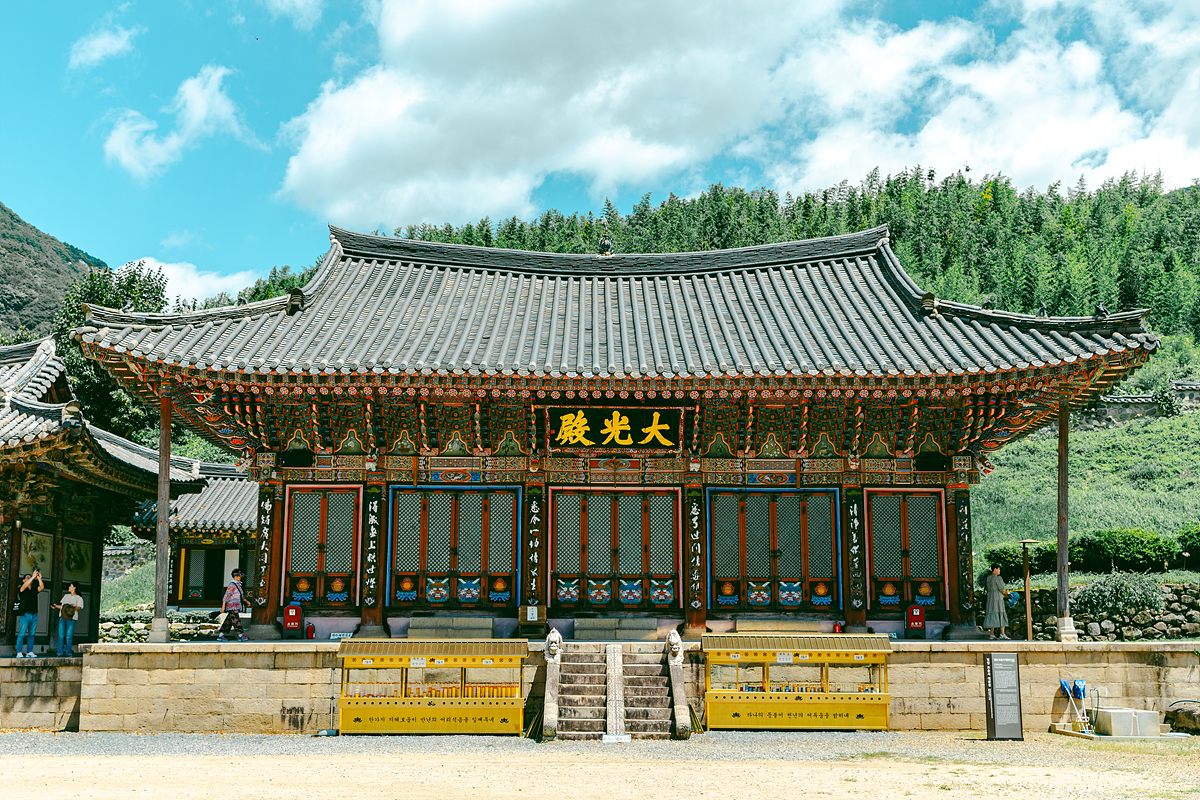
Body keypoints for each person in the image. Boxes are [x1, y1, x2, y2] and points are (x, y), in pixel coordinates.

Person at [14, 569, 44, 658]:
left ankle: (29, 651)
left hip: (34, 614)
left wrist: (39, 578)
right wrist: (33, 576)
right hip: (25, 615)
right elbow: (24, 586)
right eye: (27, 577)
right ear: (23, 580)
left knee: (31, 634)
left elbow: (41, 587)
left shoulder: (34, 589)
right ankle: (19, 652)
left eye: (30, 577)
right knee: (21, 634)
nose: (29, 578)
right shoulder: (22, 589)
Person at [52, 582, 84, 657]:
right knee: (60, 635)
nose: (69, 587)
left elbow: (79, 608)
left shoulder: (79, 598)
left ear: (74, 588)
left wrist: (74, 607)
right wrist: (56, 606)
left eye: (71, 586)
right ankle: (59, 652)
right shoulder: (66, 596)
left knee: (69, 636)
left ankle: (68, 652)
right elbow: (62, 607)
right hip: (62, 616)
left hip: (72, 618)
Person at [216, 568, 248, 642]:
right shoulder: (232, 585)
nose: (240, 577)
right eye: (239, 576)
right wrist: (223, 607)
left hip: (236, 606)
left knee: (228, 622)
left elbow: (241, 595)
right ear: (235, 576)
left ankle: (220, 636)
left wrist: (246, 601)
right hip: (232, 607)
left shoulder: (238, 585)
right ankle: (240, 636)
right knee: (236, 620)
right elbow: (226, 596)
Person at [984, 564, 1010, 640]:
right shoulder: (998, 578)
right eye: (999, 569)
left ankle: (992, 634)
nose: (999, 571)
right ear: (995, 569)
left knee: (992, 614)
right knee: (1001, 613)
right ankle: (1002, 634)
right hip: (997, 598)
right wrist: (1008, 594)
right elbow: (1002, 589)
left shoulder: (988, 578)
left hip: (990, 598)